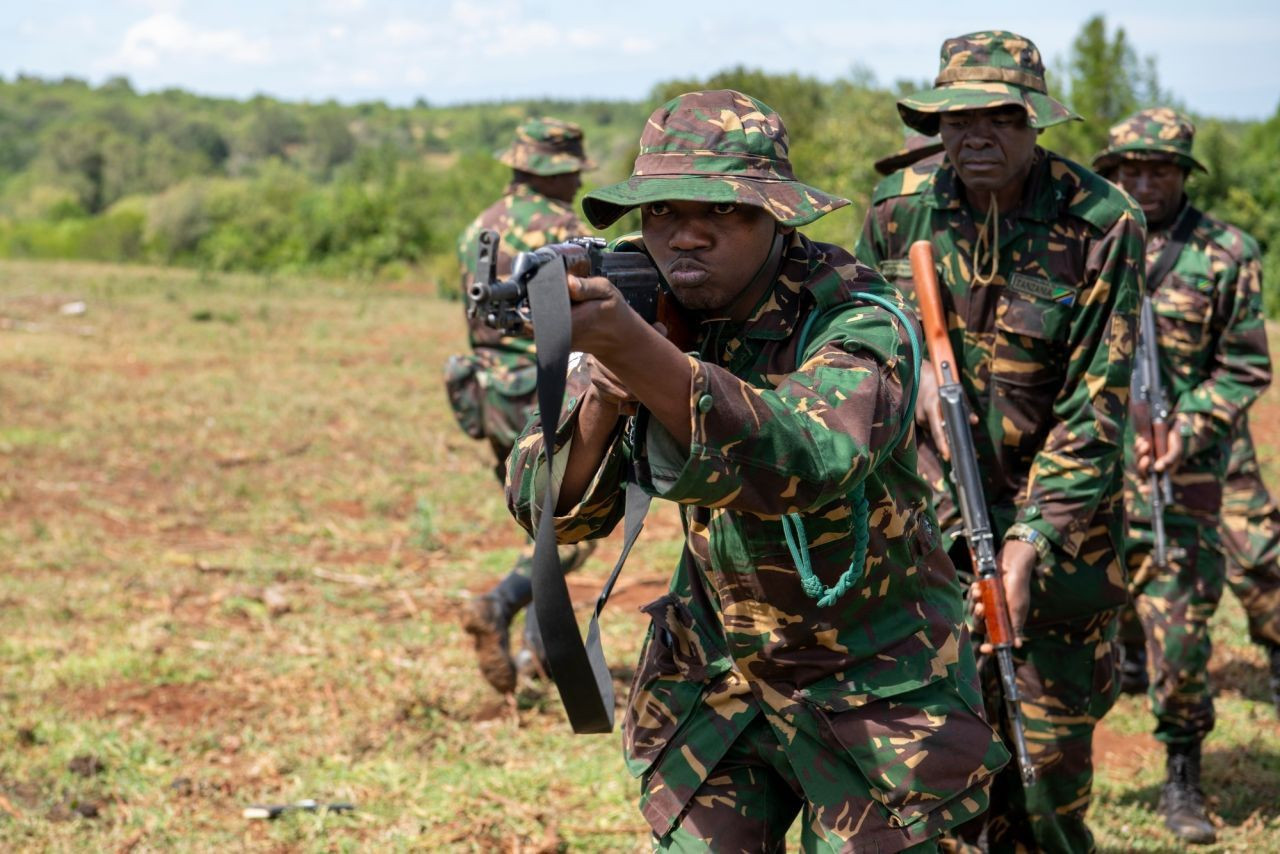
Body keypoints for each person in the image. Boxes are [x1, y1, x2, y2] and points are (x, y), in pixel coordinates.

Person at [505, 89, 1008, 852]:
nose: (687, 236)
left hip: (876, 682)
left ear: (776, 215)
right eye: (663, 213)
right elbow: (549, 507)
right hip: (719, 681)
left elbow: (805, 461)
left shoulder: (857, 316)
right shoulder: (648, 305)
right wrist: (607, 390)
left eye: (723, 212)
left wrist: (638, 354)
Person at [856, 31, 1143, 853]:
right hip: (928, 530)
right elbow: (874, 361)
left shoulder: (1100, 221)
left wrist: (1026, 545)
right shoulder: (898, 210)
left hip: (1060, 536)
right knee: (940, 767)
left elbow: (1097, 405)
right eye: (955, 121)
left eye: (999, 119)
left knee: (1044, 771)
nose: (975, 137)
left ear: (1035, 123)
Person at [1093, 107, 1272, 843]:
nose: (1142, 182)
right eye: (1129, 169)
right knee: (1109, 605)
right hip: (1097, 467)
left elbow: (1245, 366)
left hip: (1185, 473)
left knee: (1183, 624)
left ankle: (1181, 773)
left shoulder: (1226, 253)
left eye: (1157, 170)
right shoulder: (1088, 243)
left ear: (1182, 175)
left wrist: (1185, 430)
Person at [445, 117, 596, 694]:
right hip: (546, 392)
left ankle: (541, 653)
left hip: (488, 392)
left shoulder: (478, 226)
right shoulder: (564, 229)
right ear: (556, 171)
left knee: (539, 525)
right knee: (570, 526)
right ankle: (499, 604)